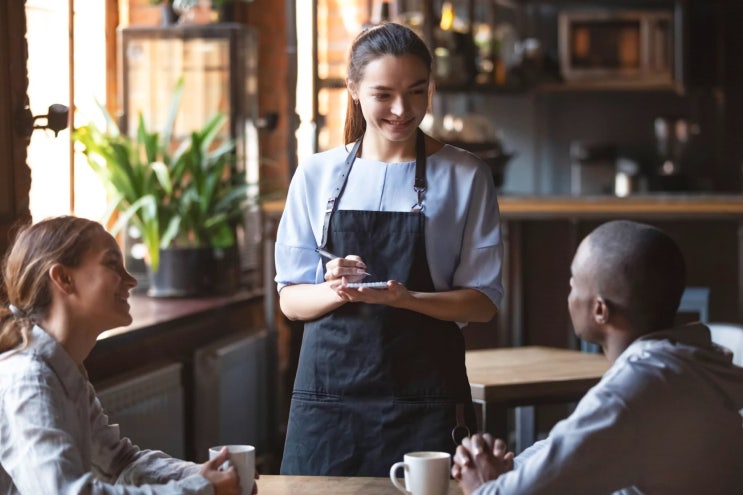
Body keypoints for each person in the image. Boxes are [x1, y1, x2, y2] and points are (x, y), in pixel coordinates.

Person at [274, 22, 503, 476]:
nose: (402, 109)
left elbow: (483, 304)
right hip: (329, 405)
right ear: (354, 90)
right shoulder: (316, 175)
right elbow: (290, 300)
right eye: (384, 95)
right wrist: (336, 288)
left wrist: (408, 299)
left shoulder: (465, 175)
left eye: (417, 92)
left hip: (426, 399)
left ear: (432, 89)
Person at [452, 220, 743, 494]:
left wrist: (482, 482)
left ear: (600, 310)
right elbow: (567, 446)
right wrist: (511, 468)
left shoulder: (633, 391)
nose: (569, 294)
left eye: (573, 283)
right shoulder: (690, 361)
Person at [0, 216, 255, 494]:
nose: (131, 280)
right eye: (112, 264)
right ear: (63, 278)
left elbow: (120, 463)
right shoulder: (29, 380)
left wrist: (204, 475)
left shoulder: (64, 369)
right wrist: (200, 489)